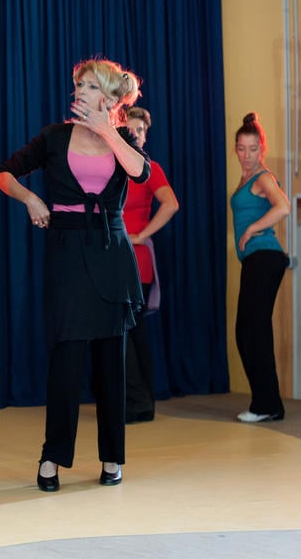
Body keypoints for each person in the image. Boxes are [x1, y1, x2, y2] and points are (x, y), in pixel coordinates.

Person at [0, 58, 149, 492]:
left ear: (111, 98)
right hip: (66, 251)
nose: (78, 91)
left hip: (111, 252)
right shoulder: (54, 137)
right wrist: (30, 199)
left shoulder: (123, 139)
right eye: (77, 85)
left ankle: (112, 457)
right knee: (66, 358)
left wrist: (107, 131)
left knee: (110, 364)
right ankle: (52, 457)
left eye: (89, 86)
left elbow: (140, 172)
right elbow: (2, 173)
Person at [230, 112, 290, 423]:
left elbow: (284, 206)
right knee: (246, 331)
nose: (247, 155)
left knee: (254, 331)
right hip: (256, 259)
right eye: (241, 148)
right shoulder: (244, 179)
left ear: (261, 148)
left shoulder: (263, 177)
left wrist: (252, 229)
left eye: (253, 148)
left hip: (265, 256)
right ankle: (265, 401)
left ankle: (268, 404)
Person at [122, 107, 179, 423]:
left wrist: (142, 234)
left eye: (141, 131)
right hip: (113, 258)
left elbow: (171, 204)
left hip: (136, 260)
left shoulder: (149, 168)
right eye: (131, 130)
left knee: (129, 333)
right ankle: (140, 401)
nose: (137, 136)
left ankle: (137, 402)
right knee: (132, 333)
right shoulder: (114, 167)